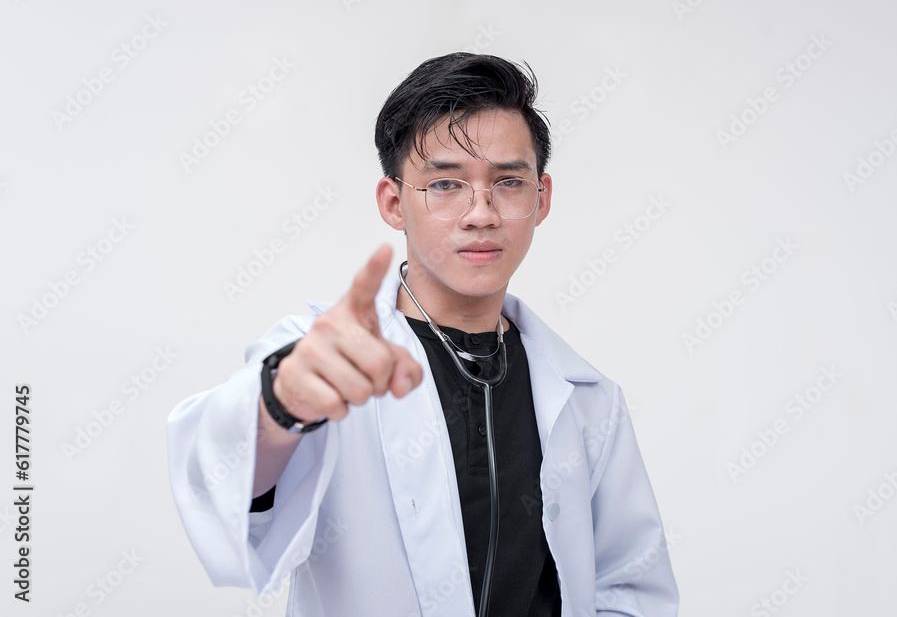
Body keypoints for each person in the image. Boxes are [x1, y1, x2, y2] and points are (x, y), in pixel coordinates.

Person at [166, 52, 679, 616]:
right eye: (445, 184)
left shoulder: (586, 398)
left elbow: (631, 587)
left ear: (541, 198)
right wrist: (281, 404)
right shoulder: (320, 357)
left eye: (508, 182)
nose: (480, 213)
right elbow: (223, 486)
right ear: (393, 203)